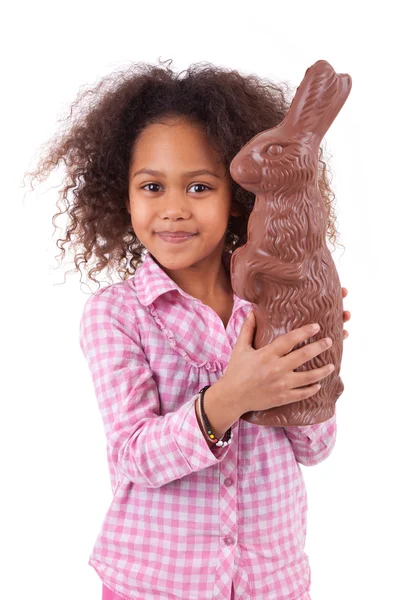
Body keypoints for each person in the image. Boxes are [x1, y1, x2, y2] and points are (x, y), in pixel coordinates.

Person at [25, 59, 351, 600]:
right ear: (123, 195)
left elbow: (315, 448)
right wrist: (230, 397)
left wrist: (315, 355)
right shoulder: (117, 315)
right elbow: (135, 455)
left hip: (269, 583)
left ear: (238, 195)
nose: (174, 209)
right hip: (155, 584)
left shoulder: (267, 302)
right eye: (152, 187)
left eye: (199, 187)